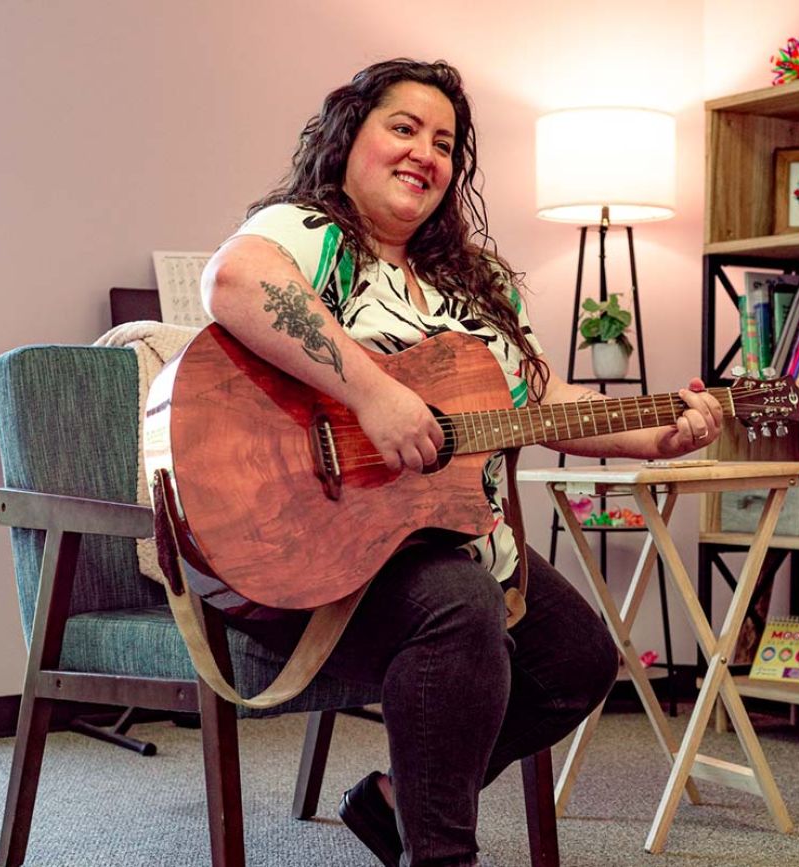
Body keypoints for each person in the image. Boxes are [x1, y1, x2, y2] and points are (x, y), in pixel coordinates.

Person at [201, 58, 723, 867]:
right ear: (349, 137)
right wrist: (374, 393)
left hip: (446, 541)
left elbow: (542, 399)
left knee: (579, 658)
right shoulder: (312, 233)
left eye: (444, 143)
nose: (425, 153)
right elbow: (235, 280)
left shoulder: (472, 288)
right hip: (314, 555)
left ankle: (390, 803)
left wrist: (660, 434)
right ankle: (442, 854)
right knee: (460, 602)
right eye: (403, 128)